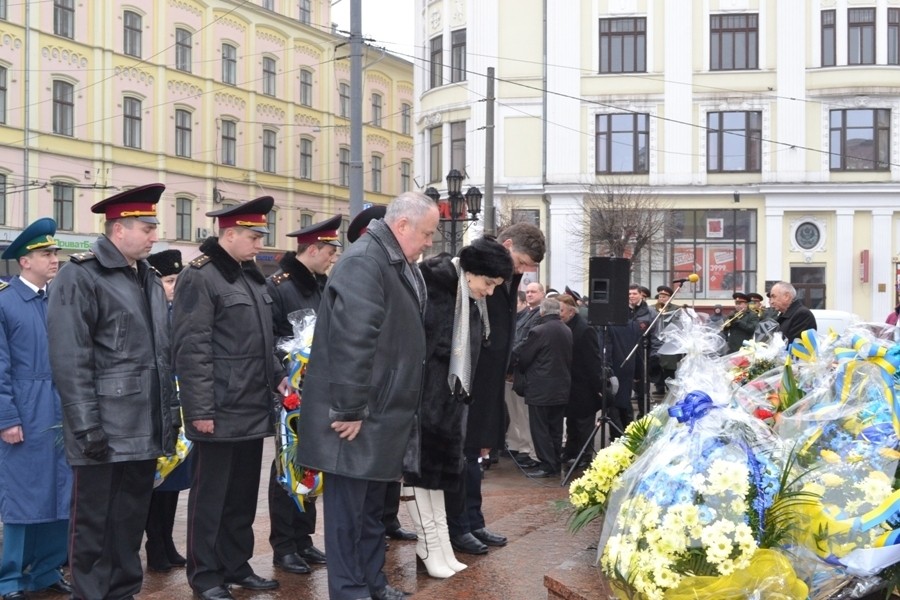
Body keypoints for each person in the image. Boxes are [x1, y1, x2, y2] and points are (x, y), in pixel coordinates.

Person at [296, 192, 439, 600]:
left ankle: (372, 582)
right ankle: (350, 590)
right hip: (359, 416)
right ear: (403, 226)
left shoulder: (390, 260)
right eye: (426, 234)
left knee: (373, 511)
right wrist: (350, 407)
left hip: (382, 413)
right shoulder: (365, 262)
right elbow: (353, 342)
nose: (429, 242)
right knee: (350, 515)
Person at [47, 185, 178, 600]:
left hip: (142, 427)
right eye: (147, 227)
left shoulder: (150, 279)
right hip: (103, 429)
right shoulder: (81, 274)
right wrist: (87, 427)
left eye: (155, 227)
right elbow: (71, 358)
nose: (155, 235)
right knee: (93, 528)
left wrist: (168, 418)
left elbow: (161, 358)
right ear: (118, 230)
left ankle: (123, 593)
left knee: (128, 526)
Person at [172, 197, 285, 600]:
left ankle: (236, 565)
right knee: (210, 499)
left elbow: (262, 340)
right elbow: (191, 348)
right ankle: (205, 575)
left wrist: (279, 377)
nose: (259, 243)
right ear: (230, 234)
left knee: (240, 497)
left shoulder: (250, 278)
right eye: (253, 236)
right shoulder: (200, 277)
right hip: (218, 409)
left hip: (251, 406)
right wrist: (200, 410)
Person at [402, 237, 513, 578]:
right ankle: (430, 544)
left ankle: (438, 546)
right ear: (471, 272)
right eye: (488, 283)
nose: (490, 292)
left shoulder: (466, 296)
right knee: (422, 476)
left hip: (449, 403)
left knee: (438, 478)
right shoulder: (438, 290)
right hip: (426, 404)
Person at [446, 222, 546, 556]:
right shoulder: (475, 268)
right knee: (463, 456)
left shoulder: (505, 275)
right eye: (520, 263)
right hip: (469, 380)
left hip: (488, 382)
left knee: (476, 455)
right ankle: (458, 525)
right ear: (505, 245)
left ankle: (473, 520)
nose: (520, 272)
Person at [266, 216, 343, 576]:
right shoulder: (279, 287)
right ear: (311, 249)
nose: (331, 257)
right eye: (328, 251)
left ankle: (304, 538)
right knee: (287, 466)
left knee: (312, 462)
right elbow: (269, 340)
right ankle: (284, 545)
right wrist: (289, 369)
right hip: (290, 392)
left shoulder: (321, 284)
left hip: (318, 388)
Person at [0, 218, 72, 599]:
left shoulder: (54, 300)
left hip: (59, 409)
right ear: (24, 261)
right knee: (22, 499)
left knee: (60, 495)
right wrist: (7, 418)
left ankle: (46, 571)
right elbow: (0, 367)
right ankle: (10, 578)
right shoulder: (5, 301)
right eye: (46, 254)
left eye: (55, 252)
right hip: (26, 410)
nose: (54, 259)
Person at [143, 249, 191, 574]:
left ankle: (168, 541)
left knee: (175, 477)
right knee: (156, 478)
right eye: (169, 280)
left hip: (180, 403)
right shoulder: (148, 311)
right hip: (156, 401)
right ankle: (154, 545)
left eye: (177, 280)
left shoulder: (179, 310)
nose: (174, 286)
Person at [513, 297, 572, 478]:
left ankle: (547, 464)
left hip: (540, 387)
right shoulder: (566, 329)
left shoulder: (538, 331)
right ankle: (554, 461)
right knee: (555, 428)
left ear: (542, 311)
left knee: (540, 428)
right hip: (561, 386)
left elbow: (524, 357)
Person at [558, 294, 606, 469]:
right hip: (570, 384)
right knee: (571, 421)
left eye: (561, 310)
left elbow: (593, 360)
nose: (559, 314)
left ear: (571, 311)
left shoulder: (584, 330)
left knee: (583, 423)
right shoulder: (564, 326)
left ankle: (584, 455)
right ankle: (571, 451)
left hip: (583, 385)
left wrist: (598, 385)